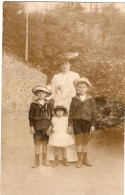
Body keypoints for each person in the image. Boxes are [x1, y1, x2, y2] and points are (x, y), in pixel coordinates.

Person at [47, 52, 80, 162]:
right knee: (58, 127)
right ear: (60, 66)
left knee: (68, 127)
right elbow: (51, 90)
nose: (64, 66)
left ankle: (70, 157)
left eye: (66, 64)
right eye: (62, 64)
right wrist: (44, 93)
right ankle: (55, 157)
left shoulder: (75, 75)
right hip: (59, 106)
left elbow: (79, 90)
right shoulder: (56, 77)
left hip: (70, 105)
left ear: (70, 65)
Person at [68, 77, 97, 168]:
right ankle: (79, 159)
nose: (82, 89)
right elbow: (71, 112)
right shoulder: (74, 99)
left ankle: (85, 159)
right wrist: (69, 124)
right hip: (77, 122)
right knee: (79, 141)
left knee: (85, 141)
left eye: (84, 87)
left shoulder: (90, 99)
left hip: (87, 122)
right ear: (77, 88)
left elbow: (94, 112)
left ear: (87, 88)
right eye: (80, 87)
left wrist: (93, 125)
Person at [29, 85, 53, 168]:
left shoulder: (49, 104)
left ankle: (44, 160)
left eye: (43, 93)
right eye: (39, 93)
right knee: (37, 144)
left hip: (46, 126)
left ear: (46, 95)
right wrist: (31, 127)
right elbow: (30, 116)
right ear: (36, 94)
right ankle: (36, 161)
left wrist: (50, 126)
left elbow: (51, 116)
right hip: (37, 126)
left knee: (45, 144)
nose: (40, 95)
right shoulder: (33, 104)